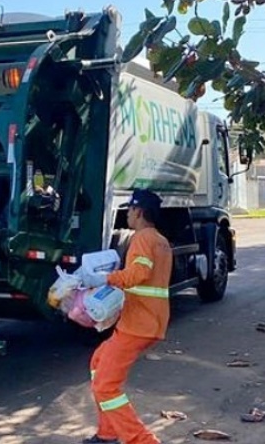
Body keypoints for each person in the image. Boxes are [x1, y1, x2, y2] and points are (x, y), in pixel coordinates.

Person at [79, 188, 172, 444]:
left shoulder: (142, 238)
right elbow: (146, 279)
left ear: (139, 211)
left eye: (130, 209)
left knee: (106, 387)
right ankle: (107, 433)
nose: (127, 214)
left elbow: (138, 274)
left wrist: (104, 278)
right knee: (99, 362)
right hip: (148, 321)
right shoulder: (160, 241)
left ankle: (142, 441)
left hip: (138, 324)